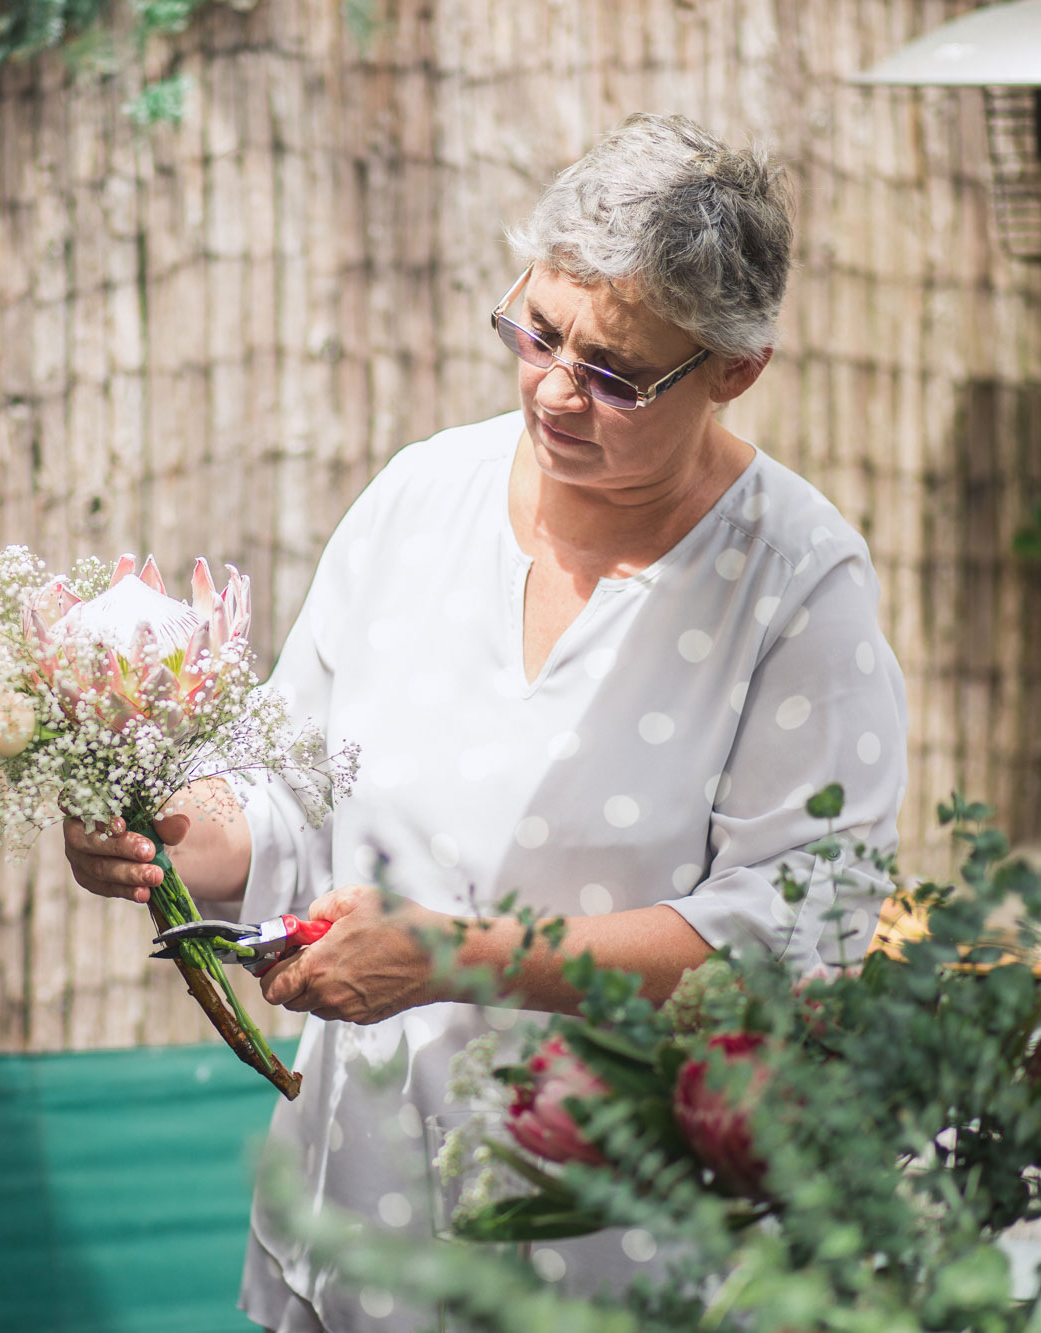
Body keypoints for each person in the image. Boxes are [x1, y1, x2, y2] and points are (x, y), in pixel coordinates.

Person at [64, 112, 908, 1333]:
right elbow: (292, 789)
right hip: (361, 1211)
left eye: (615, 373)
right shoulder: (421, 497)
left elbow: (796, 942)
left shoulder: (796, 584)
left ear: (736, 370)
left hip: (619, 1248)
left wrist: (465, 955)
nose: (555, 392)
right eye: (536, 330)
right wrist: (167, 832)